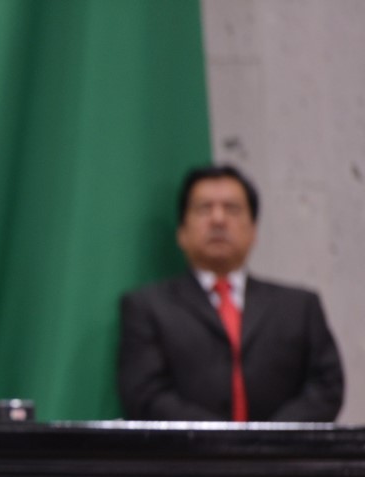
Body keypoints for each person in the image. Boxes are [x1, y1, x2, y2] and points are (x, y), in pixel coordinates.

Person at [119, 164, 343, 422]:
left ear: (253, 231)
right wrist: (220, 439)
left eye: (232, 209)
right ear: (181, 232)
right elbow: (145, 395)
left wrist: (268, 438)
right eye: (204, 208)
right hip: (186, 449)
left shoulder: (300, 307)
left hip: (283, 448)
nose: (218, 219)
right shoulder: (147, 307)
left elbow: (327, 388)